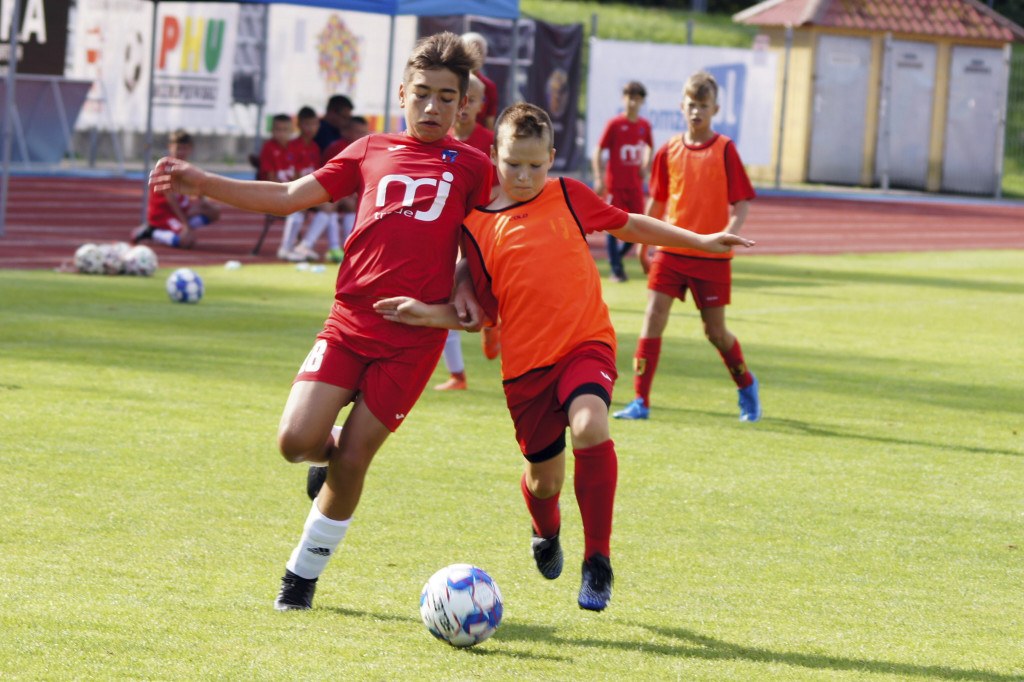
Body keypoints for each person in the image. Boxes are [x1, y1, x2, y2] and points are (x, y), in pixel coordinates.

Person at [149, 32, 492, 612]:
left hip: (413, 339)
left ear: (464, 106)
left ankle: (300, 579)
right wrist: (204, 182)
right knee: (295, 443)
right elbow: (288, 196)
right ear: (403, 93)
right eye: (423, 94)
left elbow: (484, 247)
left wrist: (456, 290)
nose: (433, 107)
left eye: (447, 97)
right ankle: (329, 452)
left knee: (356, 459)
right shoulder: (369, 149)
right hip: (349, 320)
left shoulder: (475, 167)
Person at [373, 102, 754, 611]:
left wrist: (702, 241)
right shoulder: (477, 225)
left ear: (552, 158)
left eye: (535, 164)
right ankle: (544, 528)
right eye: (513, 165)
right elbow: (479, 313)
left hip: (585, 345)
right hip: (526, 371)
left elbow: (633, 225)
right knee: (543, 480)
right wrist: (423, 312)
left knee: (592, 425)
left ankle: (597, 562)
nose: (524, 175)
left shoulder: (571, 196)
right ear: (494, 157)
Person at [613, 70, 761, 423]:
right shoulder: (668, 150)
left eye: (704, 106)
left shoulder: (725, 149)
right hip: (671, 249)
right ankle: (640, 401)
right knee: (652, 317)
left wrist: (729, 230)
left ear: (716, 109)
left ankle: (746, 384)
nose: (697, 112)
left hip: (711, 254)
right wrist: (642, 243)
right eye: (692, 105)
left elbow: (742, 202)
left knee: (715, 333)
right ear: (682, 106)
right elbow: (659, 202)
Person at [434, 75, 495, 391]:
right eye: (462, 97)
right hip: (449, 233)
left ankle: (493, 321)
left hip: (483, 234)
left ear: (481, 104)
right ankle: (457, 375)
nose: (466, 105)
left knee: (492, 291)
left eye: (473, 98)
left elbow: (501, 189)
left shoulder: (491, 141)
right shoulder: (441, 139)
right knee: (445, 297)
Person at [591, 81, 653, 283]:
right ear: (623, 99)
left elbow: (649, 147)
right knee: (613, 225)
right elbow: (598, 149)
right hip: (615, 185)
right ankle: (616, 269)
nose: (632, 102)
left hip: (634, 185)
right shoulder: (615, 124)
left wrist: (646, 164)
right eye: (629, 97)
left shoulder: (644, 126)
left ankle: (618, 258)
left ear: (642, 101)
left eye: (636, 98)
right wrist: (599, 176)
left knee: (638, 227)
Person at [131, 130, 220, 249]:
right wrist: (185, 225)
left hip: (181, 210)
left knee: (213, 211)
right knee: (187, 241)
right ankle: (152, 232)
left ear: (190, 149)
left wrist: (203, 202)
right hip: (163, 214)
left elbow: (198, 189)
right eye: (178, 148)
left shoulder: (187, 167)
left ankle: (181, 229)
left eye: (185, 148)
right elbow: (171, 200)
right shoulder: (166, 167)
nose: (181, 152)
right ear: (170, 147)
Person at [280, 106, 323, 262]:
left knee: (330, 206)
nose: (311, 128)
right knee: (298, 206)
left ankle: (306, 245)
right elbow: (294, 176)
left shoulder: (315, 147)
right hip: (291, 191)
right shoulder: (293, 146)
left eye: (314, 124)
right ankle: (286, 248)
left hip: (307, 192)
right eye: (307, 124)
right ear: (299, 125)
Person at [461, 32, 498, 130]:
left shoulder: (489, 87)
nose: (475, 56)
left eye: (479, 52)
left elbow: (489, 122)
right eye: (471, 51)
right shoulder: (450, 81)